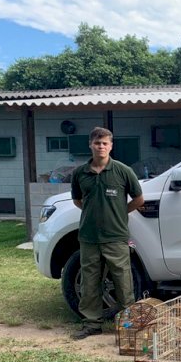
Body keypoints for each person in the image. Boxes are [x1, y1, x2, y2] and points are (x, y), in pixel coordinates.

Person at [70, 127, 144, 339]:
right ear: (90, 145)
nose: (101, 146)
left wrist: (121, 212)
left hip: (116, 237)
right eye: (97, 143)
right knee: (89, 282)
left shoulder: (122, 171)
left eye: (105, 143)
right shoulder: (80, 174)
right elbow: (77, 200)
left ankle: (128, 326)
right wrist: (93, 212)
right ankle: (91, 324)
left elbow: (139, 200)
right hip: (89, 237)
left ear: (111, 146)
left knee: (123, 282)